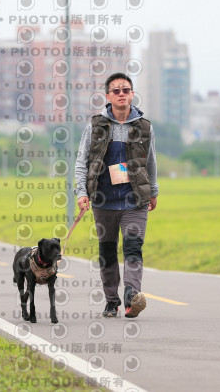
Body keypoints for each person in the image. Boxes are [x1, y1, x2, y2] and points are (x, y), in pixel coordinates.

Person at [75, 72, 159, 318]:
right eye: (116, 91)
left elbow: (151, 162)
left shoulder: (144, 127)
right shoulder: (96, 126)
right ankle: (112, 301)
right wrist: (82, 192)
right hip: (103, 200)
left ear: (132, 94)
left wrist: (153, 191)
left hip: (135, 200)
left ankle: (132, 298)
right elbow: (82, 161)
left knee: (133, 247)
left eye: (126, 90)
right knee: (108, 251)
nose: (122, 94)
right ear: (108, 96)